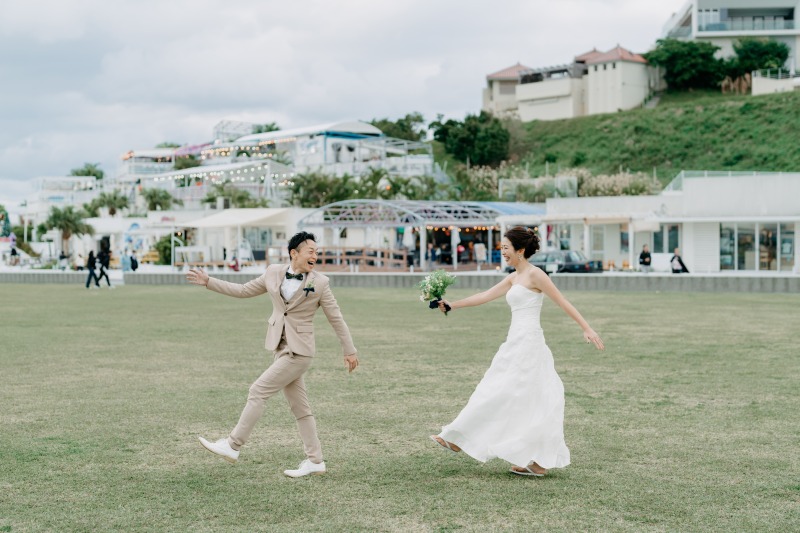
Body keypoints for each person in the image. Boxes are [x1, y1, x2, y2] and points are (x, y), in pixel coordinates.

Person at [430, 226, 604, 477]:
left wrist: (587, 328)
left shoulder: (536, 275)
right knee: (505, 393)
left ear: (520, 250)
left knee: (515, 395)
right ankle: (463, 439)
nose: (502, 252)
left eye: (506, 248)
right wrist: (451, 305)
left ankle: (462, 439)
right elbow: (485, 295)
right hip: (514, 342)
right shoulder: (513, 277)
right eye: (502, 248)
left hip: (529, 344)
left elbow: (562, 301)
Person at [186, 231, 359, 478]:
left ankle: (233, 445)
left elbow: (336, 318)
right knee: (301, 409)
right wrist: (209, 281)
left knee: (258, 390)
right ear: (294, 253)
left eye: (317, 253)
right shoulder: (273, 272)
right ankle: (316, 461)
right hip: (280, 347)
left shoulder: (320, 282)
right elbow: (243, 290)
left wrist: (349, 350)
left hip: (300, 352)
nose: (315, 256)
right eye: (311, 251)